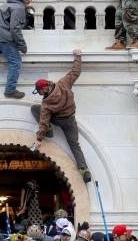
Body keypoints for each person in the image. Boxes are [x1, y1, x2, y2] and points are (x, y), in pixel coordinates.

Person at [30, 49, 92, 183]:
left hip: (58, 120)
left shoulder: (46, 103)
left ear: (43, 89)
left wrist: (39, 138)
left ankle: (49, 131)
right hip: (70, 120)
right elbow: (75, 72)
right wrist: (78, 56)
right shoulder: (63, 84)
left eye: (39, 91)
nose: (39, 94)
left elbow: (43, 121)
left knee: (35, 109)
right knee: (74, 144)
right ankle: (84, 170)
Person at [0, 0, 34, 99]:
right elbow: (15, 29)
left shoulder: (12, 3)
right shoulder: (19, 8)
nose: (30, 0)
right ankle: (10, 91)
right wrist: (23, 47)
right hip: (1, 35)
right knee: (16, 61)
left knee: (11, 47)